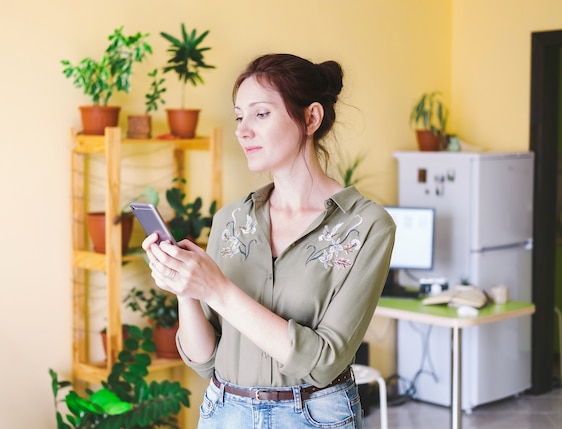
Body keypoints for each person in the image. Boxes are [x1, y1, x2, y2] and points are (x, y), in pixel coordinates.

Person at [143, 53, 396, 429]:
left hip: (314, 416)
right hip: (224, 411)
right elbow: (204, 359)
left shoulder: (366, 226)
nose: (243, 130)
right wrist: (187, 288)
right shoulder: (230, 220)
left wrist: (219, 289)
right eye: (239, 116)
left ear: (311, 118)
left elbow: (324, 361)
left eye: (261, 114)